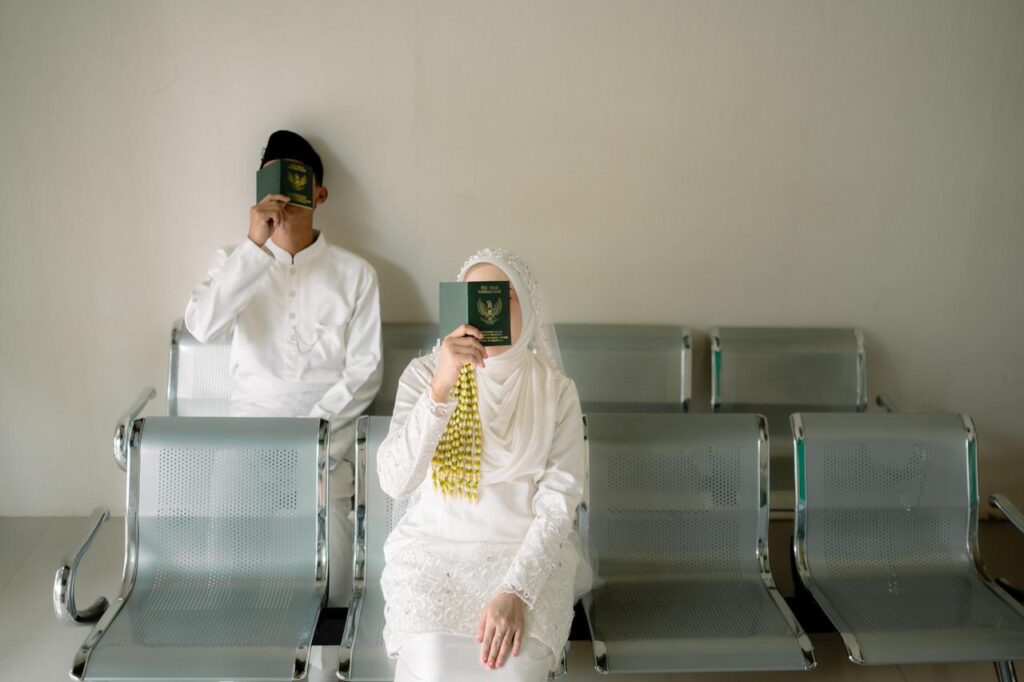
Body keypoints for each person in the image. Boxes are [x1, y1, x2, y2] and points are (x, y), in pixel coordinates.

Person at [184, 130, 382, 616]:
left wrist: (312, 432)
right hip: (249, 434)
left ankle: (326, 637)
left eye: (298, 182)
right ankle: (240, 628)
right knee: (223, 565)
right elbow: (202, 327)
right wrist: (255, 246)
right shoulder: (233, 261)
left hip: (327, 437)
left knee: (336, 579)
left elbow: (366, 371)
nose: (286, 195)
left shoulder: (356, 274)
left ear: (320, 194)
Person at [377, 248, 587, 681]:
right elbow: (395, 481)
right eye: (475, 297)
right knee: (432, 663)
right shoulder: (424, 375)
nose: (488, 309)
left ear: (527, 306)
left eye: (503, 295)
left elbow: (558, 505)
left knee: (513, 668)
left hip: (525, 560)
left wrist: (516, 591)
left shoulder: (556, 390)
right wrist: (442, 386)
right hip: (434, 556)